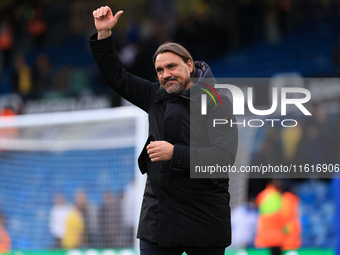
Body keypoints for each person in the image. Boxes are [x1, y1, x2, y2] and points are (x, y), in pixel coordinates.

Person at [89, 6, 238, 255]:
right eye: (159, 70)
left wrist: (174, 153)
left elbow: (223, 158)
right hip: (158, 220)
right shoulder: (153, 96)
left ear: (189, 66)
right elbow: (115, 76)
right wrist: (104, 34)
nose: (165, 74)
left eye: (172, 67)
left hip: (205, 220)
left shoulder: (218, 101)